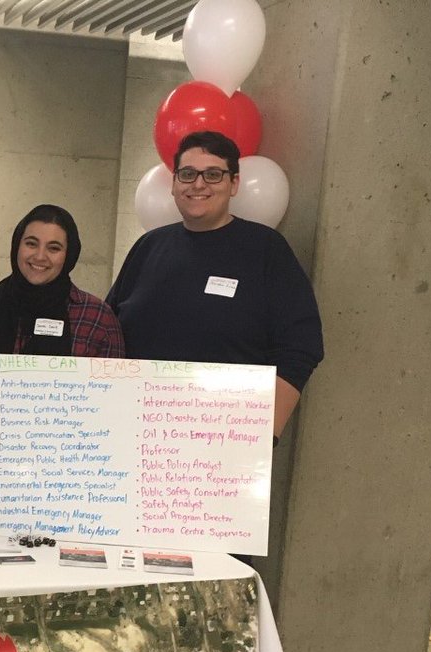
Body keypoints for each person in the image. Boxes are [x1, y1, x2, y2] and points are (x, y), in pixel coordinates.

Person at [106, 131, 324, 441]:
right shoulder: (148, 247)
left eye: (213, 174)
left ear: (234, 184)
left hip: (223, 447)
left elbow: (301, 344)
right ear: (173, 184)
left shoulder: (265, 249)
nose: (198, 184)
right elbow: (108, 333)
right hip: (138, 436)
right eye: (187, 174)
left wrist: (264, 432)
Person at [0, 204, 125, 510]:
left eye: (54, 248)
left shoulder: (96, 319)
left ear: (69, 256)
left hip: (61, 485)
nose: (39, 256)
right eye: (31, 243)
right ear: (17, 245)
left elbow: (111, 408)